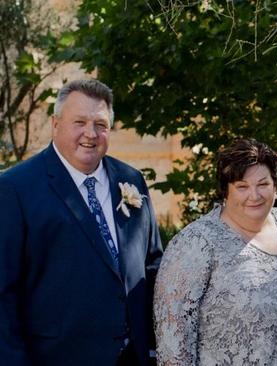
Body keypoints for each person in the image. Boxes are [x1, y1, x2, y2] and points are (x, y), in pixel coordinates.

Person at [0, 79, 162, 365]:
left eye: (100, 124)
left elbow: (152, 266)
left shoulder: (131, 181)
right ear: (55, 124)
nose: (91, 133)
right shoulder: (16, 189)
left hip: (134, 358)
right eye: (79, 122)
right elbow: (4, 295)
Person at [154, 138, 277, 365]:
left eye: (263, 184)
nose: (254, 195)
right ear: (225, 191)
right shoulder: (196, 242)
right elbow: (172, 342)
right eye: (242, 187)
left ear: (275, 186)